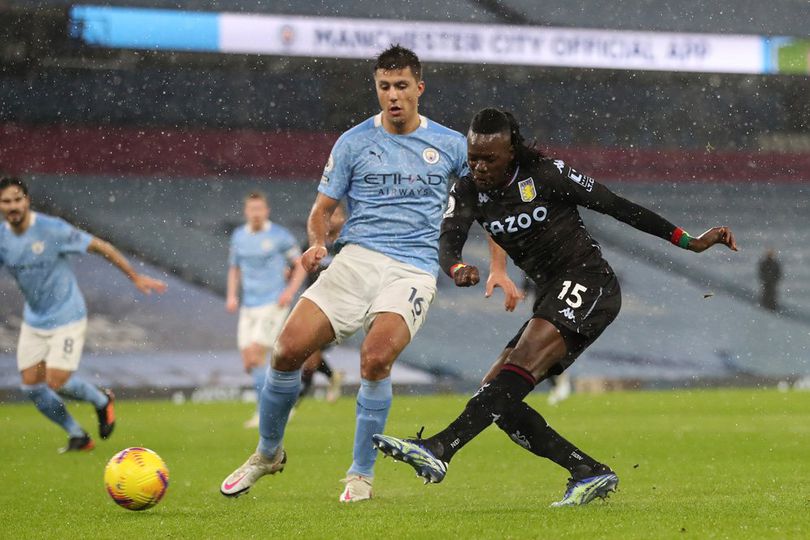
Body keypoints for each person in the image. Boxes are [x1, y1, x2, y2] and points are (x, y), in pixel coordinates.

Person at [372, 108, 738, 506]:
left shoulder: (547, 175)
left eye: (489, 158)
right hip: (550, 292)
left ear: (511, 152)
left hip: (589, 280)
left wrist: (689, 241)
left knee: (512, 374)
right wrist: (457, 266)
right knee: (495, 397)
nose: (478, 166)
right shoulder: (467, 191)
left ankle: (441, 448)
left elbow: (617, 206)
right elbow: (448, 240)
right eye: (473, 156)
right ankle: (587, 470)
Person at [220, 46, 516, 503]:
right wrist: (319, 243)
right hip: (355, 258)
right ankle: (267, 454)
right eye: (384, 87)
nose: (393, 96)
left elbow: (491, 205)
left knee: (375, 360)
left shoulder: (453, 146)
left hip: (413, 268)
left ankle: (360, 475)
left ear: (419, 88)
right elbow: (322, 211)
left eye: (401, 86)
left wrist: (498, 266)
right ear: (376, 89)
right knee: (285, 351)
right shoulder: (353, 142)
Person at [0, 176, 167, 452]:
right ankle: (78, 435)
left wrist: (134, 276)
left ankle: (101, 400)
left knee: (56, 381)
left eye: (18, 199)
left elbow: (101, 246)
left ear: (27, 201)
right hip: (35, 319)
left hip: (67, 314)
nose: (13, 205)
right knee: (31, 387)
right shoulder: (3, 238)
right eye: (7, 201)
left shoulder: (52, 230)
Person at [226, 191, 307, 428]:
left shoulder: (279, 236)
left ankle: (266, 413)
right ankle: (282, 402)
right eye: (252, 209)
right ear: (246, 212)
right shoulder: (239, 236)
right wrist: (232, 295)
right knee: (250, 361)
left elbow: (300, 263)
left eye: (260, 209)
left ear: (266, 211)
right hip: (248, 304)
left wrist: (289, 292)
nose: (256, 213)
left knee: (256, 353)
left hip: (273, 302)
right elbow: (234, 268)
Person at [293, 206, 347, 413]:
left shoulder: (347, 245)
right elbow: (301, 267)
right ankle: (332, 376)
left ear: (344, 218)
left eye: (338, 215)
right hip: (315, 304)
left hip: (339, 308)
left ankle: (293, 407)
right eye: (330, 214)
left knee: (309, 357)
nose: (333, 219)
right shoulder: (313, 243)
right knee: (308, 355)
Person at [521, 273, 572, 405]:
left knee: (544, 349)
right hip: (543, 310)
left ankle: (560, 383)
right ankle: (559, 384)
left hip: (552, 310)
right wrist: (525, 288)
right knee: (539, 350)